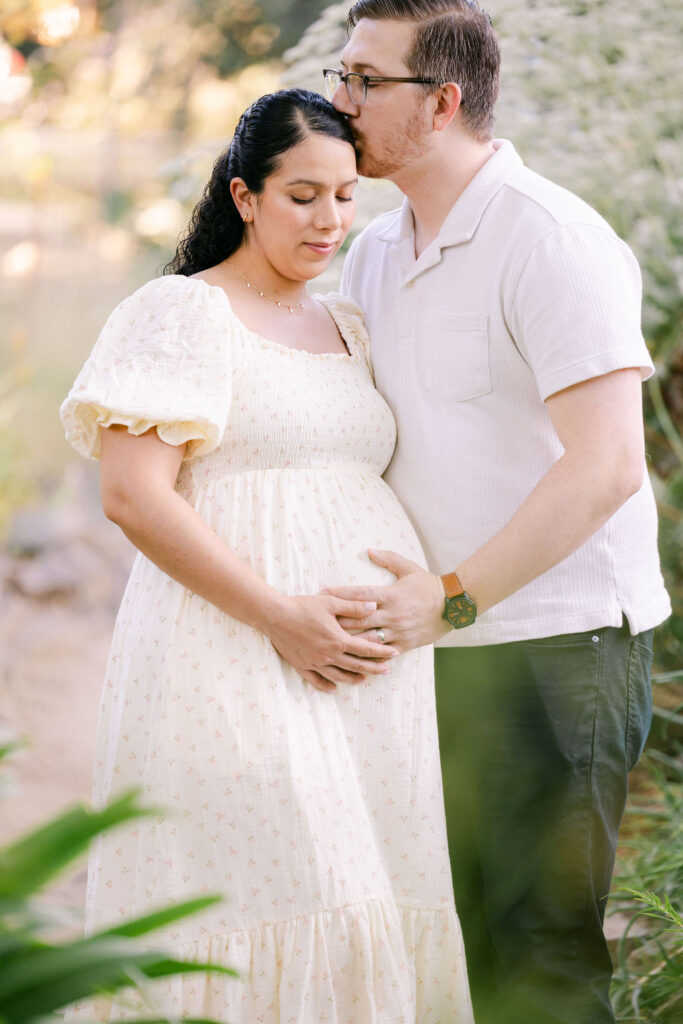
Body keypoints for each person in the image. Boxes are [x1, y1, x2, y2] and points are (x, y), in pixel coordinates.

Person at [60, 88, 474, 1023]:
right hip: (233, 661)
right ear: (244, 196)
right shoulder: (180, 312)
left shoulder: (347, 326)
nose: (328, 220)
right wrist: (281, 616)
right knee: (279, 890)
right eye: (301, 196)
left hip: (370, 687)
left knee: (364, 894)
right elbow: (131, 494)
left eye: (343, 196)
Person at [319, 3, 672, 1023]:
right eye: (341, 76)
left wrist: (455, 596)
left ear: (441, 101)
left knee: (541, 963)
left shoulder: (551, 239)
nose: (337, 103)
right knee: (456, 955)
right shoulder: (375, 251)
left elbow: (605, 466)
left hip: (556, 657)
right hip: (435, 650)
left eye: (361, 82)